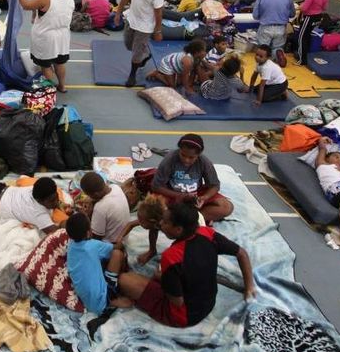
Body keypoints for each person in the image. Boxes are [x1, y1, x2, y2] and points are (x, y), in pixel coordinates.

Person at [116, 202, 255, 327]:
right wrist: (249, 286)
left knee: (124, 280)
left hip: (183, 315)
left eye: (165, 222)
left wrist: (162, 277)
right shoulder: (207, 233)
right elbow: (241, 253)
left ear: (178, 229)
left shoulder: (171, 257)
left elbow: (177, 302)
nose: (161, 225)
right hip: (208, 303)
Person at [151, 133, 234, 224]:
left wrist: (204, 198)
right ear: (179, 150)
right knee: (153, 204)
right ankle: (191, 219)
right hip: (172, 195)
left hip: (196, 195)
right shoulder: (169, 159)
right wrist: (180, 196)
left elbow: (215, 185)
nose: (186, 160)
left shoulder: (204, 162)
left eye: (191, 157)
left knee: (226, 207)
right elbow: (156, 186)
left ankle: (194, 218)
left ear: (198, 155)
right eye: (183, 155)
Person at [13, 0, 75, 92]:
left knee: (45, 65)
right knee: (59, 62)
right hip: (63, 35)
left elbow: (26, 5)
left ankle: (49, 91)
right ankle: (62, 86)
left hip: (46, 36)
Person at [65, 212, 128, 314]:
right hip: (101, 302)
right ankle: (112, 299)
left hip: (87, 301)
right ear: (88, 232)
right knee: (117, 254)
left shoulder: (71, 245)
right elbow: (116, 248)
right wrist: (121, 239)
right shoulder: (93, 245)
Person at [117, 0, 165, 87]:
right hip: (131, 18)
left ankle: (132, 75)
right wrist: (118, 13)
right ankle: (145, 55)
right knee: (128, 45)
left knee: (136, 52)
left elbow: (158, 12)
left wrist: (158, 30)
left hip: (145, 26)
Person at [78, 171, 131, 243]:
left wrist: (86, 216)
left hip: (112, 244)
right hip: (124, 238)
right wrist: (91, 200)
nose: (89, 197)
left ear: (96, 194)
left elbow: (95, 238)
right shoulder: (115, 187)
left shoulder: (100, 208)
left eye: (89, 195)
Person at [252, 0, 294, 67]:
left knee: (264, 47)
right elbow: (292, 14)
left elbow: (255, 15)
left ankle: (263, 63)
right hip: (281, 27)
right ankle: (279, 53)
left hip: (266, 26)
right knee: (277, 47)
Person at [295, 0, 328, 66]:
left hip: (309, 18)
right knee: (308, 36)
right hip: (318, 17)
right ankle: (305, 56)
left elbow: (304, 8)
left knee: (302, 37)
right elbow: (324, 8)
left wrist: (300, 6)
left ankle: (302, 60)